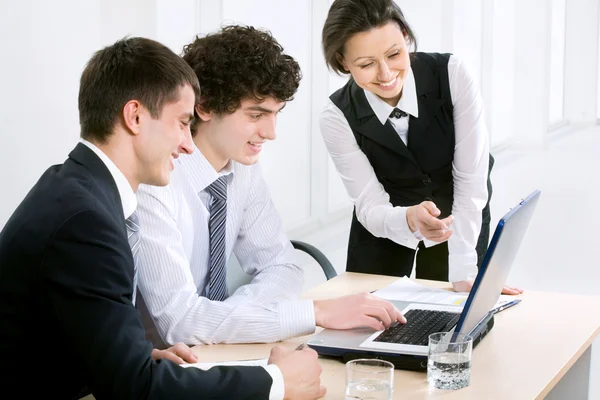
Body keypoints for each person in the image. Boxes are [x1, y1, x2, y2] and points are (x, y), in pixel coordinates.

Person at [0, 36, 325, 400]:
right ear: (135, 116)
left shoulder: (76, 185)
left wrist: (133, 356)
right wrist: (276, 383)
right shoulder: (87, 221)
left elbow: (84, 341)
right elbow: (137, 390)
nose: (188, 143)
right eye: (182, 123)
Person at [135, 25, 406, 347]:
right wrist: (312, 313)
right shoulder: (154, 182)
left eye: (275, 114)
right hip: (157, 366)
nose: (270, 132)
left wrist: (226, 320)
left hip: (218, 351)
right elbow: (180, 322)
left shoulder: (242, 169)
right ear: (203, 107)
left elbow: (283, 266)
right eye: (256, 115)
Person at [320, 0, 522, 294]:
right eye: (366, 64)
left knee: (453, 317)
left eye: (394, 54)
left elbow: (470, 180)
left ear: (405, 36)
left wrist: (465, 266)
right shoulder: (336, 116)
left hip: (458, 215)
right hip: (384, 221)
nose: (386, 74)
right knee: (369, 321)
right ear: (342, 62)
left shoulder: (452, 75)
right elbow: (370, 205)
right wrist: (407, 218)